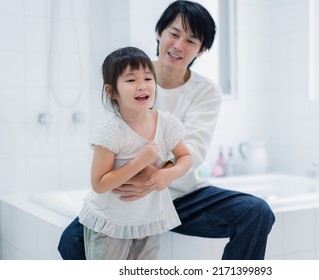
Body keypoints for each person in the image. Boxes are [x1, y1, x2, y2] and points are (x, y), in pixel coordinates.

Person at [58, 0, 275, 260]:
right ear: (158, 33)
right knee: (71, 241)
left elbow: (193, 150)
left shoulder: (205, 91)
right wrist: (140, 178)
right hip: (128, 193)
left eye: (191, 40)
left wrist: (157, 179)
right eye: (174, 34)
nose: (179, 45)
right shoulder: (129, 73)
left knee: (256, 212)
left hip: (182, 195)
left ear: (202, 50)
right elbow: (109, 139)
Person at [80, 46, 192, 259]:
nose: (142, 86)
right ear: (111, 91)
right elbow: (99, 183)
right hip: (111, 222)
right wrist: (139, 161)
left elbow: (185, 157)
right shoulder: (111, 129)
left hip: (147, 220)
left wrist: (169, 174)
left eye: (148, 79)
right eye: (131, 80)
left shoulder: (165, 122)